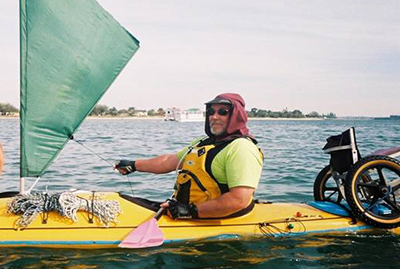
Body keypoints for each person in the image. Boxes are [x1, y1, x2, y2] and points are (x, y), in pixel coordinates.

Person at [115, 93, 263, 219]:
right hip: (186, 210)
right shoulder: (203, 143)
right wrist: (134, 165)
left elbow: (239, 200)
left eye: (223, 112)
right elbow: (169, 161)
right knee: (124, 200)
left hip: (220, 216)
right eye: (211, 112)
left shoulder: (241, 148)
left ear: (236, 115)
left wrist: (190, 211)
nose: (214, 116)